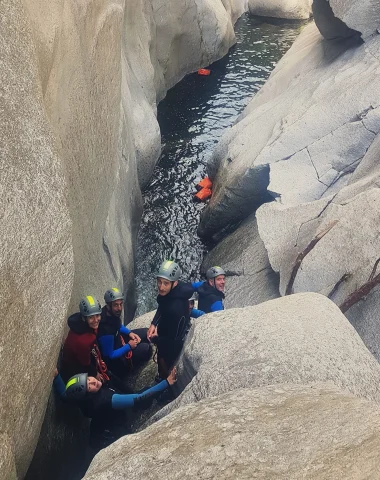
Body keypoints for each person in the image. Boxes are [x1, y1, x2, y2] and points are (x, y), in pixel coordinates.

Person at [53, 368, 176, 448]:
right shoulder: (109, 399)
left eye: (89, 379)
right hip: (115, 423)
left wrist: (57, 376)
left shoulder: (80, 398)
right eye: (89, 386)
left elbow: (64, 395)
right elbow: (140, 398)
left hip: (99, 422)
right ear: (87, 394)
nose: (93, 382)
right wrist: (166, 382)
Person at [147, 260, 194, 380]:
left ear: (175, 282)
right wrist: (154, 324)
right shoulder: (176, 291)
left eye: (165, 283)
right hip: (174, 333)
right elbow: (162, 305)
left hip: (172, 342)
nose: (161, 287)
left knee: (163, 364)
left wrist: (156, 339)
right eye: (159, 282)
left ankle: (164, 381)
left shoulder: (174, 309)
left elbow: (169, 339)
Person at [97, 288, 151, 378]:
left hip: (118, 341)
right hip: (118, 362)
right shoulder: (105, 329)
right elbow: (110, 355)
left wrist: (129, 333)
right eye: (115, 305)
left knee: (147, 333)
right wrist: (128, 346)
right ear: (108, 306)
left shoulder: (109, 313)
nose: (119, 308)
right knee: (146, 349)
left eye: (121, 304)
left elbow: (117, 325)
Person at [61, 296, 110, 384]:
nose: (95, 320)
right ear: (84, 318)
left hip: (80, 355)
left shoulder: (80, 323)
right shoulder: (83, 341)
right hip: (74, 369)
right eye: (91, 317)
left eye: (97, 315)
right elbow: (85, 364)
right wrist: (95, 373)